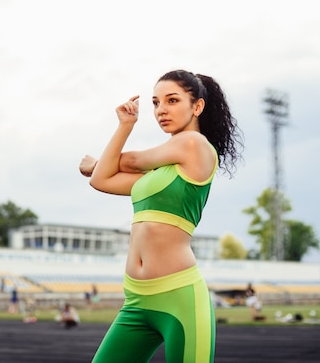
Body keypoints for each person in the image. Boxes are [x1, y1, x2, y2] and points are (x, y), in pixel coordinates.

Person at [79, 69, 242, 362]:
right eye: (155, 103)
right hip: (136, 300)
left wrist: (95, 162)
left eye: (172, 100)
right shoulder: (156, 176)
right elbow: (101, 181)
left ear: (197, 107)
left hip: (179, 296)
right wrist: (125, 125)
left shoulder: (194, 144)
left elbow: (131, 160)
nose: (161, 110)